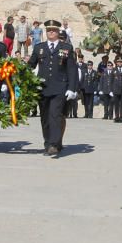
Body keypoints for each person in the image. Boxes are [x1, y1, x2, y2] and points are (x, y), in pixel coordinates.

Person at [27, 20, 79, 156]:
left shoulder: (66, 47)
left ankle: (54, 144)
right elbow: (30, 65)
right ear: (46, 31)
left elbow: (72, 69)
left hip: (59, 87)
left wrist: (72, 88)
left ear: (57, 32)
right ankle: (48, 142)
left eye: (54, 30)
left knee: (55, 115)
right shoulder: (39, 47)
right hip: (42, 87)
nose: (51, 32)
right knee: (44, 117)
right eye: (49, 30)